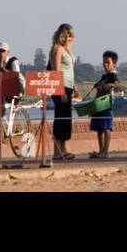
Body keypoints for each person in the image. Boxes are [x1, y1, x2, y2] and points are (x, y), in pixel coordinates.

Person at [48, 24, 76, 160]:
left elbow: (70, 70)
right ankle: (57, 151)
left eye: (70, 36)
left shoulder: (67, 49)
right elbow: (57, 70)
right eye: (66, 36)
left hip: (68, 85)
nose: (68, 38)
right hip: (61, 86)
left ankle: (63, 149)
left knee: (66, 119)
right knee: (60, 118)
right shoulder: (58, 49)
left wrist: (75, 87)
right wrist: (62, 90)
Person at [85, 50, 121, 159]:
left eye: (108, 63)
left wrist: (109, 85)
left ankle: (105, 151)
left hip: (106, 105)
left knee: (106, 128)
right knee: (99, 129)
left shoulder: (113, 76)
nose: (105, 65)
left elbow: (117, 85)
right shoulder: (103, 76)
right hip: (98, 106)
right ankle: (101, 150)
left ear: (113, 64)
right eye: (104, 62)